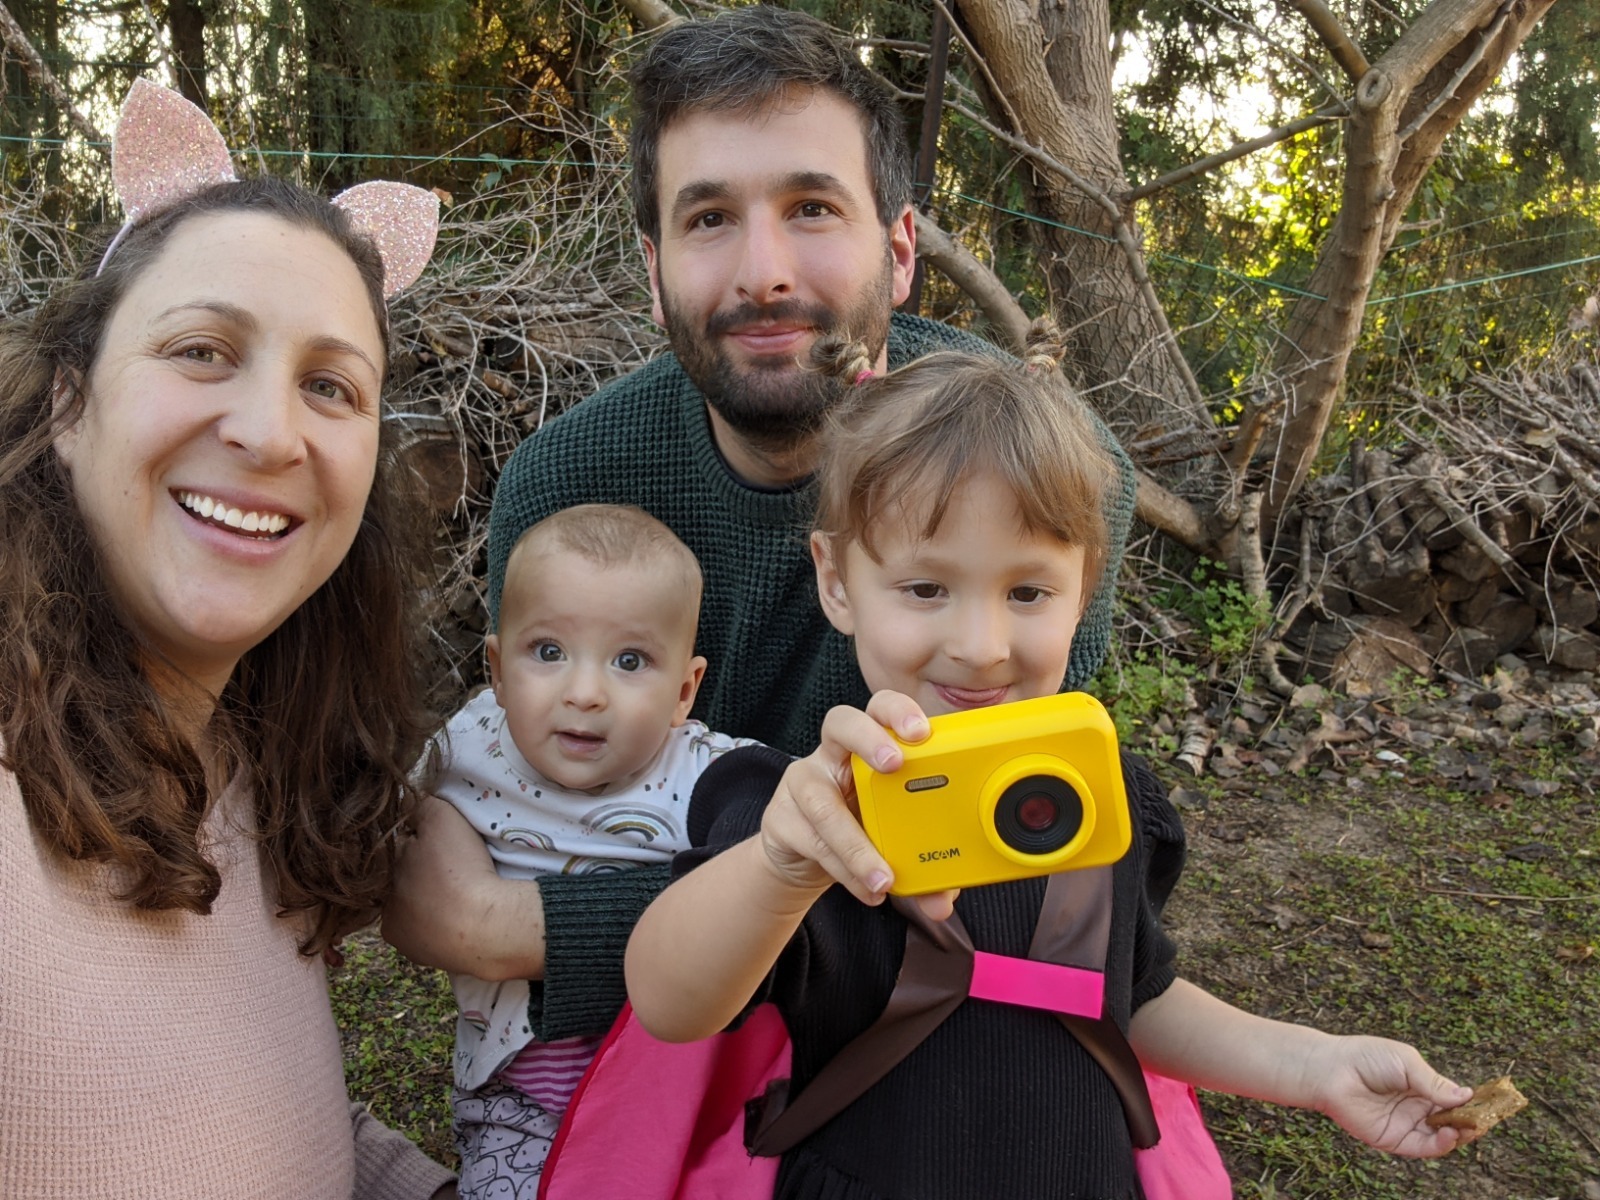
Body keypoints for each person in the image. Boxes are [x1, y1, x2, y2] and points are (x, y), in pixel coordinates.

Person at [383, 2, 1136, 1058]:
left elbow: (977, 869)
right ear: (653, 274)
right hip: (640, 1054)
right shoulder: (566, 486)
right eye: (708, 219)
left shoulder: (1045, 482)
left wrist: (521, 932)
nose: (763, 272)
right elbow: (545, 826)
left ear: (901, 247)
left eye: (813, 209)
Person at [623, 332, 1474, 1199]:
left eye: (1028, 592)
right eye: (926, 588)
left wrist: (1319, 1067)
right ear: (838, 583)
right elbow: (671, 1000)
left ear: (1084, 590)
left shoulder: (1111, 800)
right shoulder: (801, 806)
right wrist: (781, 863)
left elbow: (1130, 999)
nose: (981, 646)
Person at [0, 78, 454, 1199]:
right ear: (67, 405)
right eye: (202, 350)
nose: (266, 432)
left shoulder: (251, 772)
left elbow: (244, 1118)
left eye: (330, 386)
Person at [435, 504, 753, 1195]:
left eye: (630, 661)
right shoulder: (465, 748)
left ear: (684, 690)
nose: (584, 693)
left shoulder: (700, 773)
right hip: (516, 1099)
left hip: (674, 1098)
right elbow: (363, 831)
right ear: (495, 666)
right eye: (548, 652)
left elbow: (789, 817)